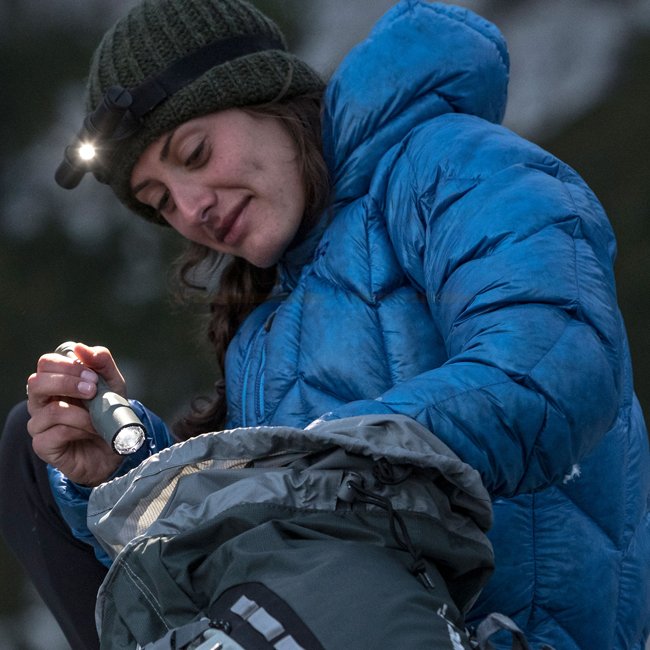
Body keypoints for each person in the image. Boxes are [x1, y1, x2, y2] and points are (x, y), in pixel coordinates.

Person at [0, 0, 648, 648]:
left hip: (501, 632)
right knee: (30, 450)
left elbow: (550, 365)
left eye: (195, 153)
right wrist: (123, 465)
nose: (192, 209)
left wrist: (305, 470)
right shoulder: (261, 331)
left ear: (267, 98)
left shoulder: (450, 164)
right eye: (161, 201)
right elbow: (260, 542)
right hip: (345, 618)